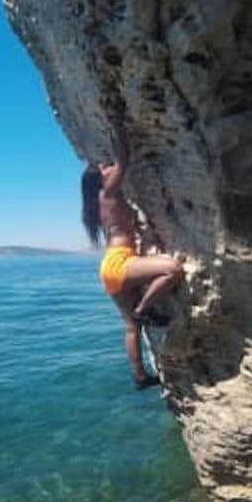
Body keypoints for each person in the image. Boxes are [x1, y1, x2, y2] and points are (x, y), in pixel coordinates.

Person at [81, 118, 183, 390]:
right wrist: (116, 128)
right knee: (172, 269)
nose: (107, 168)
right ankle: (143, 309)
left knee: (130, 328)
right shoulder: (108, 192)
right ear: (99, 179)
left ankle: (140, 377)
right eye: (102, 168)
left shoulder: (97, 203)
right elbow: (123, 161)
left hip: (110, 268)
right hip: (119, 264)